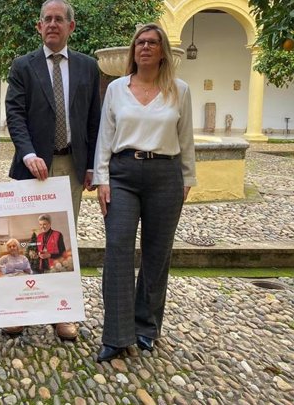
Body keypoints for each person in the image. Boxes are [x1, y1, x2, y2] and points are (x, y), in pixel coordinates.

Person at [93, 23, 196, 362]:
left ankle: (146, 328)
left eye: (152, 42)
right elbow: (105, 137)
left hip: (165, 176)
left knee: (157, 255)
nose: (146, 47)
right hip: (122, 175)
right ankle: (116, 335)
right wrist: (103, 179)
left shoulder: (179, 90)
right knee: (118, 250)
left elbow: (186, 140)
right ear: (133, 50)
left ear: (163, 50)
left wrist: (186, 179)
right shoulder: (116, 89)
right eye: (140, 42)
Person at [4, 0, 101, 340]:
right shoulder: (23, 66)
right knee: (33, 243)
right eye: (47, 19)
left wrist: (91, 166)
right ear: (39, 26)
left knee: (62, 244)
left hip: (70, 166)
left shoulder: (88, 67)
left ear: (70, 26)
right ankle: (21, 310)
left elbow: (94, 119)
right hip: (33, 167)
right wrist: (27, 152)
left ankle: (62, 313)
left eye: (59, 19)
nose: (53, 25)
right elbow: (14, 114)